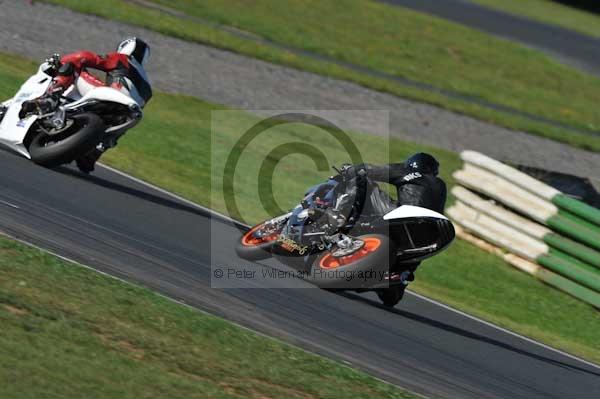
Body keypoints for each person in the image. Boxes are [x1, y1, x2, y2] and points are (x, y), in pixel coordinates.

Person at [20, 37, 152, 173]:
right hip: (127, 111)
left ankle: (49, 99)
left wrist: (62, 63)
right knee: (118, 127)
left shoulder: (122, 58)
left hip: (110, 95)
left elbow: (88, 58)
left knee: (75, 65)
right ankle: (95, 152)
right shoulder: (148, 87)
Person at [336, 152, 447, 287]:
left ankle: (342, 218)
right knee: (415, 252)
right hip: (429, 232)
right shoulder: (441, 185)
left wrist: (350, 170)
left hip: (403, 217)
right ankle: (401, 276)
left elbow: (371, 170)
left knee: (362, 180)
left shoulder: (407, 171)